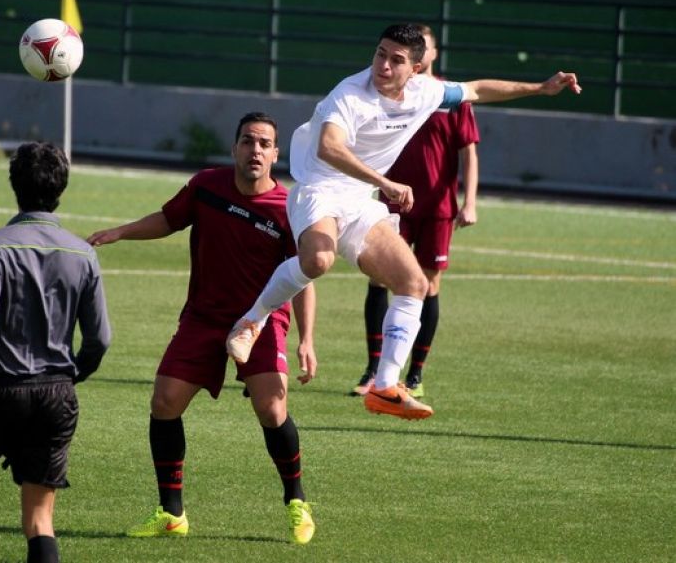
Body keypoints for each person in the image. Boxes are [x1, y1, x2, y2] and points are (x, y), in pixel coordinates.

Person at [226, 23, 581, 420]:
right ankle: (250, 321)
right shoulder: (350, 94)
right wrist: (385, 183)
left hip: (361, 200)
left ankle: (384, 386)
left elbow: (477, 90)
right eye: (380, 53)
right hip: (320, 188)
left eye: (396, 60)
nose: (384, 65)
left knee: (415, 284)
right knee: (318, 261)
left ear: (415, 69)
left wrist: (540, 88)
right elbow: (328, 148)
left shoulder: (426, 92)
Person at [86, 112, 318, 545]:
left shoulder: (288, 209)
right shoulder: (207, 186)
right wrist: (121, 232)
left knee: (272, 410)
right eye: (248, 141)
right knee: (164, 402)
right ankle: (171, 513)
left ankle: (297, 502)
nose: (256, 150)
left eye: (265, 144)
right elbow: (169, 219)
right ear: (234, 149)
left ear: (275, 155)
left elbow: (303, 275)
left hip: (261, 321)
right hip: (204, 317)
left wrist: (306, 339)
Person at [0, 142, 112, 563]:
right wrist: (72, 375)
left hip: (1, 389)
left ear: (14, 185)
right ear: (62, 187)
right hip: (57, 395)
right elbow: (100, 339)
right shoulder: (83, 253)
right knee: (39, 518)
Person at [352, 24, 480, 398]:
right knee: (379, 278)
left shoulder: (447, 97)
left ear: (430, 56)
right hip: (393, 201)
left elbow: (468, 150)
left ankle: (414, 375)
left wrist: (469, 201)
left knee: (427, 286)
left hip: (438, 207)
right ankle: (373, 371)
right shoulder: (384, 93)